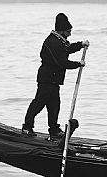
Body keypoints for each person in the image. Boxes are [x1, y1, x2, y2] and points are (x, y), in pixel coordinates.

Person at [22, 12, 89, 140]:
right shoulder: (52, 42)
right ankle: (27, 127)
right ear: (62, 30)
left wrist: (81, 45)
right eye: (68, 31)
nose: (70, 33)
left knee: (54, 105)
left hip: (54, 80)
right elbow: (62, 62)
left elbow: (68, 49)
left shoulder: (60, 41)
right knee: (39, 103)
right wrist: (78, 64)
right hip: (47, 79)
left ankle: (54, 130)